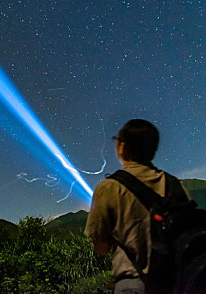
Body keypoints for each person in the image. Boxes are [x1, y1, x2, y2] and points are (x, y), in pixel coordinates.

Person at [84, 119, 188, 294]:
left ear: (122, 147)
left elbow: (100, 246)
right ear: (153, 149)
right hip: (175, 282)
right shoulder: (173, 184)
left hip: (133, 284)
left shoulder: (109, 187)